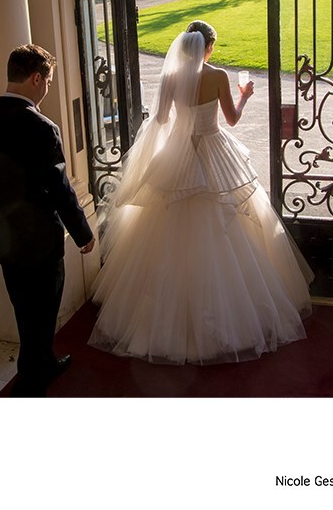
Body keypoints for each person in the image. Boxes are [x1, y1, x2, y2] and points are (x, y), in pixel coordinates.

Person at [88, 20, 313, 364]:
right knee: (232, 225)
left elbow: (160, 120)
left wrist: (175, 136)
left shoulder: (170, 78)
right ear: (207, 47)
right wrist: (245, 95)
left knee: (165, 234)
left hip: (180, 158)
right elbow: (232, 120)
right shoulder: (219, 76)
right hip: (214, 152)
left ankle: (165, 322)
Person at [0, 44, 95, 397]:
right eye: (47, 81)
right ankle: (35, 376)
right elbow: (59, 188)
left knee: (24, 307)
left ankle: (37, 364)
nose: (46, 89)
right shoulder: (41, 127)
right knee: (45, 308)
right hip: (38, 238)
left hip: (3, 237)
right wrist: (83, 233)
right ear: (37, 78)